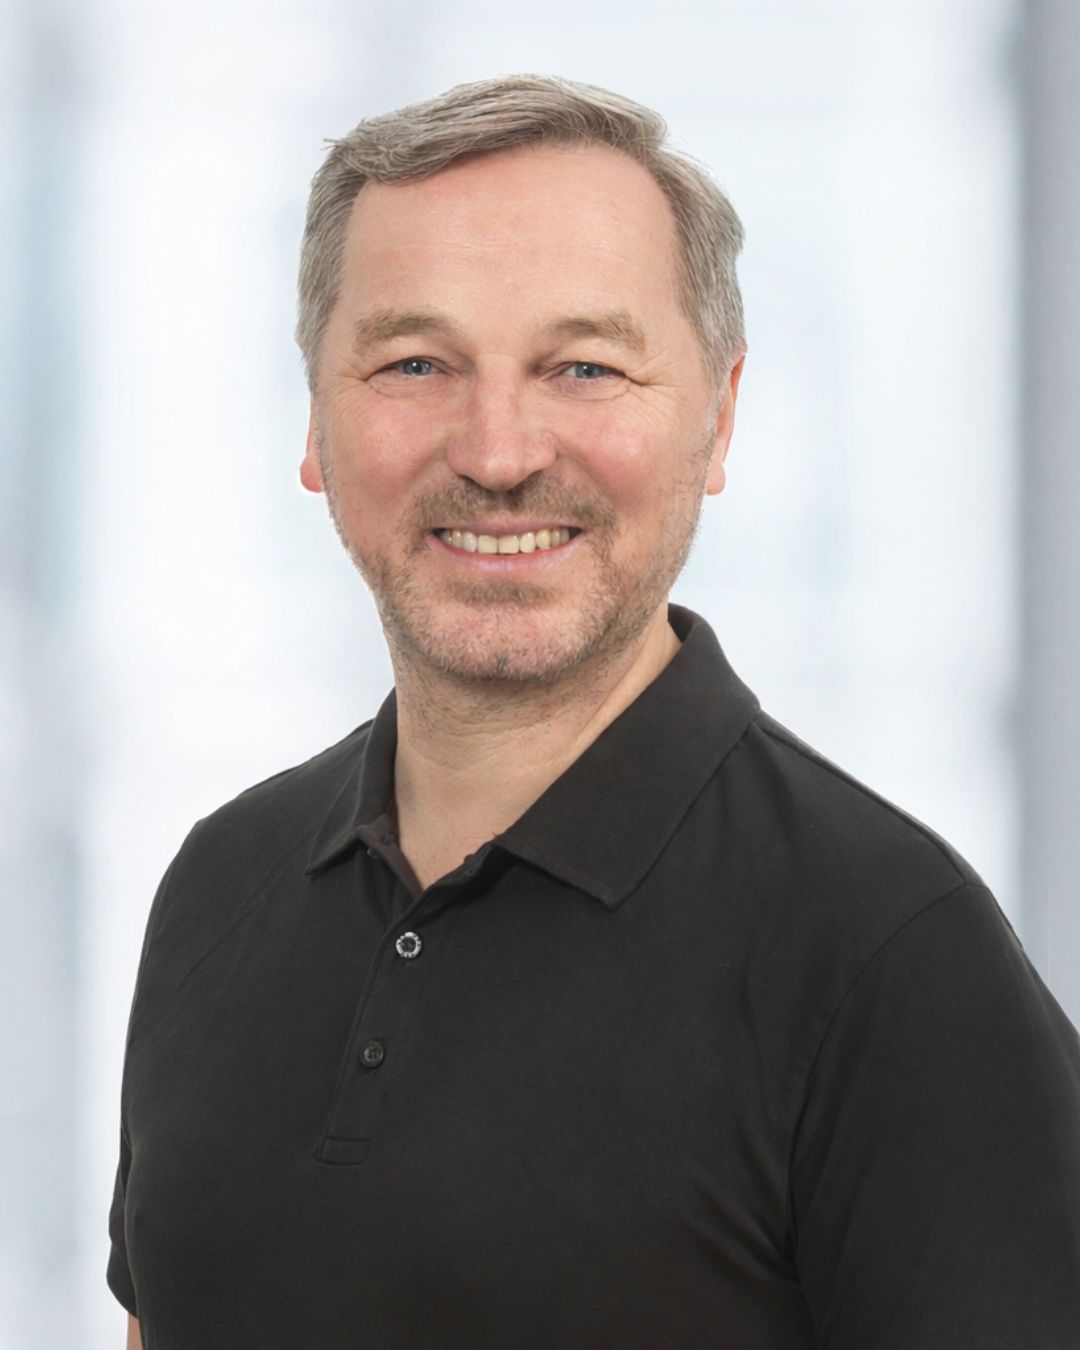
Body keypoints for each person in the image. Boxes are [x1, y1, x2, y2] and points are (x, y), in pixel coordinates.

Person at [108, 74, 1080, 1350]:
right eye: (415, 363)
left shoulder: (893, 958)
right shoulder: (219, 885)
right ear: (316, 420)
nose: (499, 452)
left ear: (718, 419)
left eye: (584, 367)